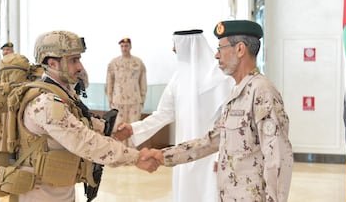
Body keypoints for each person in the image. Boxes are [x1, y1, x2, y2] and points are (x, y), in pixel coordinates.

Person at [147, 20, 294, 202]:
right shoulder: (237, 92)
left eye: (221, 48)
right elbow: (213, 140)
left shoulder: (262, 91)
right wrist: (164, 156)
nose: (216, 55)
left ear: (240, 49)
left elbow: (278, 158)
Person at [17, 30, 159, 202]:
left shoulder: (62, 93)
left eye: (79, 59)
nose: (80, 67)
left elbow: (81, 119)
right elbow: (85, 141)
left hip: (59, 191)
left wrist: (112, 128)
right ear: (53, 63)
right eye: (73, 60)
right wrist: (136, 157)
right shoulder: (46, 102)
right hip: (40, 195)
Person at [115, 29, 234, 202]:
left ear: (189, 46)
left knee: (210, 193)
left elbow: (228, 125)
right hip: (183, 152)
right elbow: (163, 113)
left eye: (176, 44)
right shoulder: (178, 78)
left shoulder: (222, 79)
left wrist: (220, 155)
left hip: (211, 154)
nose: (173, 49)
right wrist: (133, 128)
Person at [105, 38, 147, 146]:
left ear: (130, 46)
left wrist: (142, 98)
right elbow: (109, 82)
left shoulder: (138, 63)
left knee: (133, 127)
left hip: (134, 100)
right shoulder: (114, 63)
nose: (124, 48)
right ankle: (120, 152)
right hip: (118, 100)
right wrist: (110, 98)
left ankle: (132, 153)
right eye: (122, 46)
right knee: (118, 127)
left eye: (126, 46)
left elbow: (143, 81)